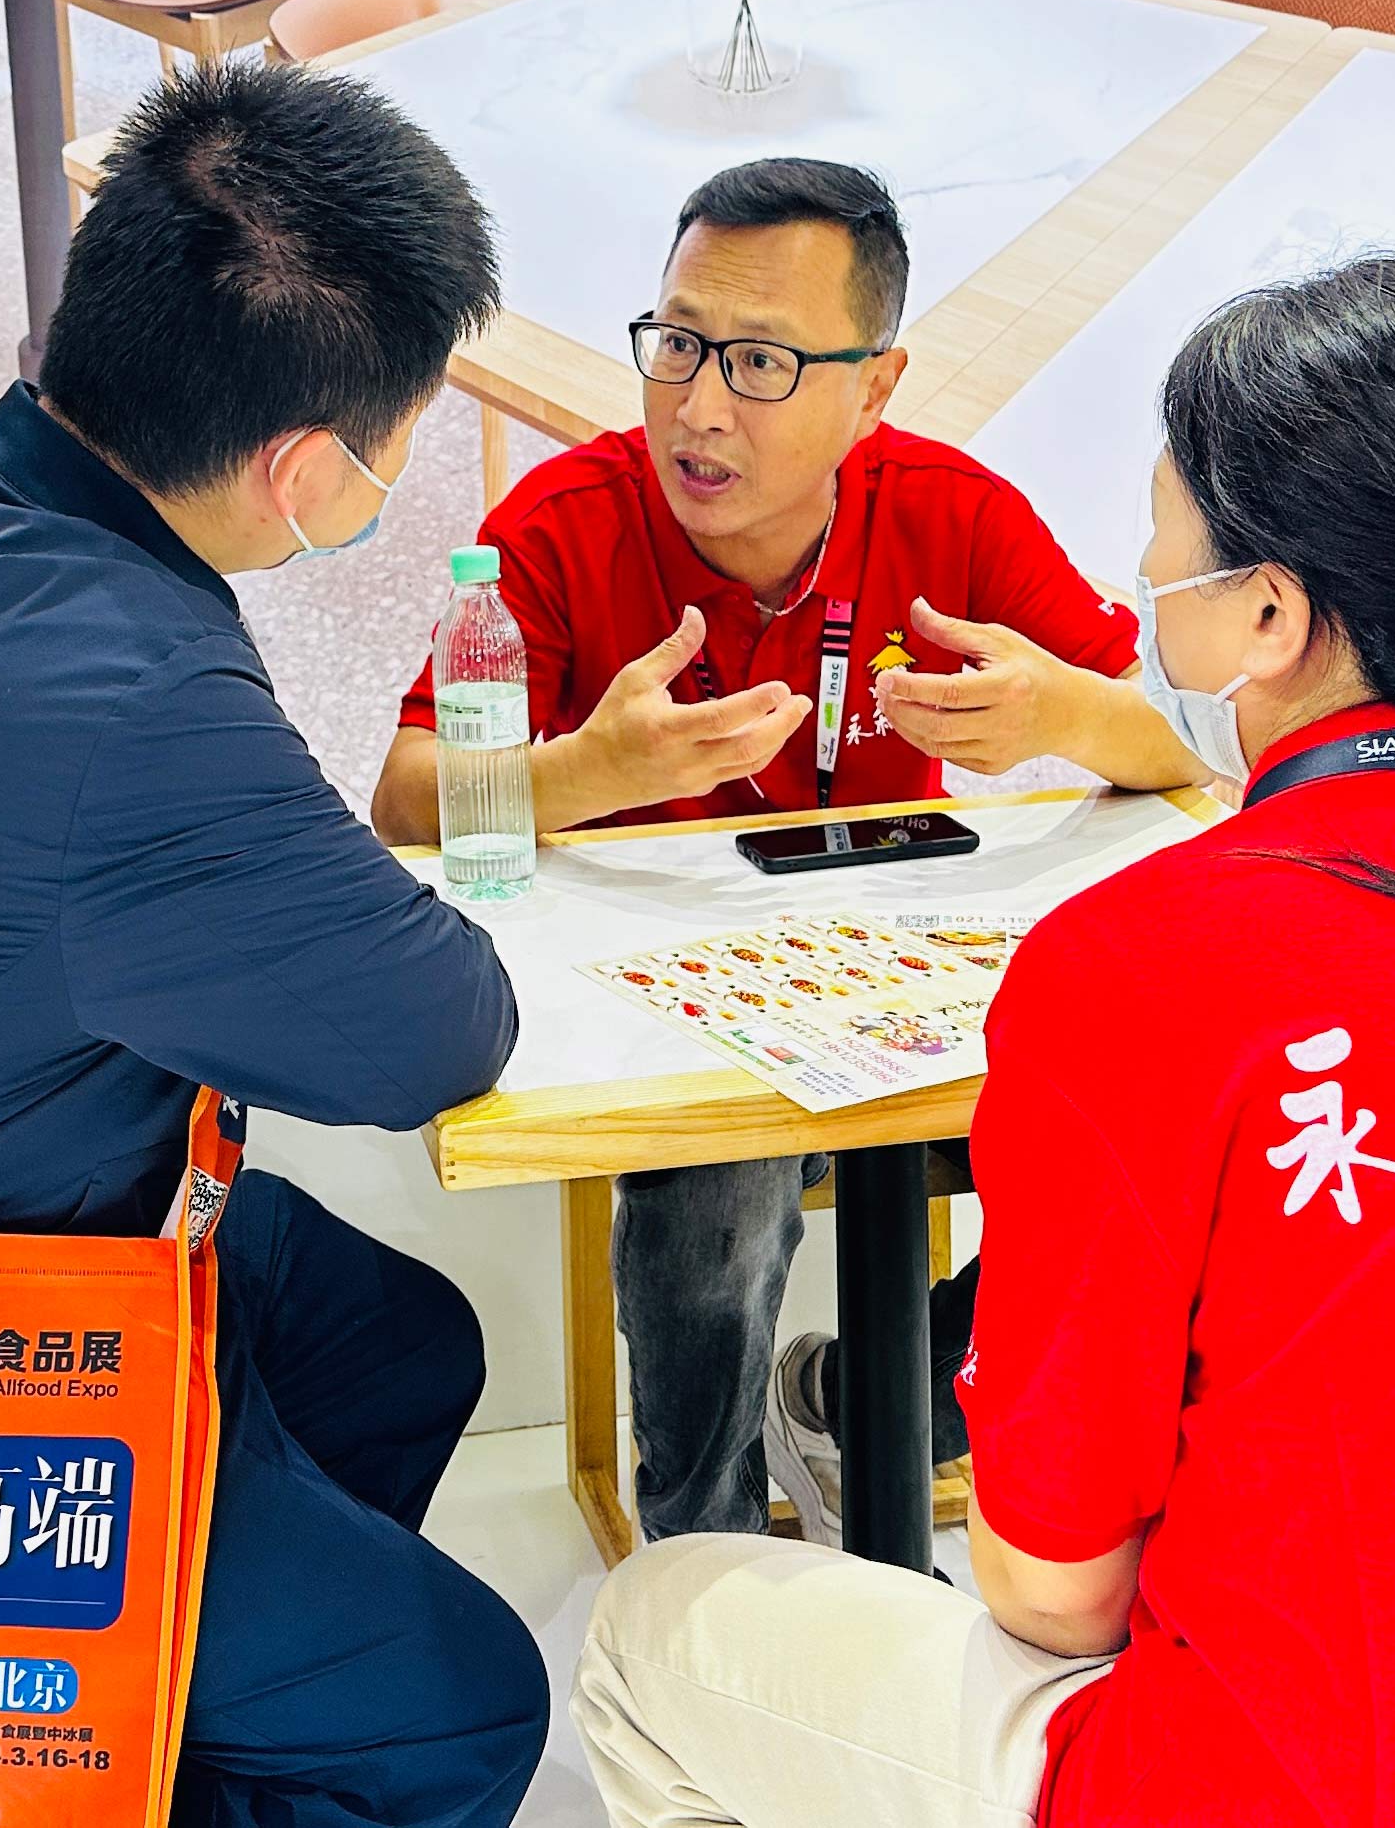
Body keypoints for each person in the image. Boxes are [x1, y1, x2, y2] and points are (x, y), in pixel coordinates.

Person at [571, 256, 1395, 1826]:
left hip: (1309, 1788)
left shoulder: (1145, 963)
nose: (1151, 592)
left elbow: (1056, 1591)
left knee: (650, 1629)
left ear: (1273, 612)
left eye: (1169, 558)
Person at [0, 63, 547, 1828]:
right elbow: (437, 1032)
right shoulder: (124, 687)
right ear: (301, 468)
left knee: (390, 1338)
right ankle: (124, 1728)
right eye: (387, 455)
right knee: (459, 1707)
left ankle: (126, 1741)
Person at [371, 158, 1200, 1549]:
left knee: (1147, 1119)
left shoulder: (951, 513)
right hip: (681, 1011)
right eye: (678, 343)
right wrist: (591, 772)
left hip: (904, 984)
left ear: (875, 388)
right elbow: (401, 802)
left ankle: (885, 1403)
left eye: (760, 362)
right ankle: (704, 1552)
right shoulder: (566, 524)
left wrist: (1059, 717)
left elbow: (1182, 739)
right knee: (721, 1187)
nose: (699, 407)